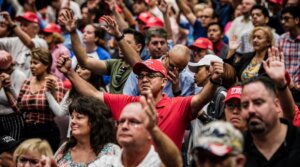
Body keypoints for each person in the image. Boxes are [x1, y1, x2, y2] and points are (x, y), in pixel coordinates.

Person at [57, 53, 223, 150]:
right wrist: (70, 73)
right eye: (141, 76)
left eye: (150, 75)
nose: (144, 79)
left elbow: (202, 99)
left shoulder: (177, 105)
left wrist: (214, 81)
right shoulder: (128, 102)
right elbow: (93, 94)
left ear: (164, 82)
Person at [58, 9, 145, 94]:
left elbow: (137, 64)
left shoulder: (145, 67)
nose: (121, 46)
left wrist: (118, 36)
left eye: (127, 43)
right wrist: (73, 32)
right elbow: (85, 61)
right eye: (121, 43)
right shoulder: (115, 64)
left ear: (138, 47)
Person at [5, 48, 65, 152]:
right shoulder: (27, 83)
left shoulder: (55, 83)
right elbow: (19, 109)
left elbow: (58, 112)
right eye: (31, 63)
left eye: (35, 63)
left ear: (46, 65)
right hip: (27, 130)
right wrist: (7, 89)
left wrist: (52, 92)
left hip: (47, 131)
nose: (31, 66)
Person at [96, 94, 182, 166]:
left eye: (133, 121)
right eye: (121, 121)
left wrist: (154, 129)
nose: (124, 126)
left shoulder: (156, 162)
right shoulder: (106, 162)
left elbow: (176, 164)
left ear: (149, 132)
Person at [240, 76, 300, 167]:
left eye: (258, 102)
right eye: (245, 105)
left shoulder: (297, 141)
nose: (250, 110)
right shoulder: (236, 148)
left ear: (277, 105)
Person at [54, 96, 120, 166]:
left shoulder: (111, 150)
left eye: (79, 117)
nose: (72, 121)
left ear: (94, 121)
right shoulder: (65, 148)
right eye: (72, 117)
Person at [0, 11, 48, 77]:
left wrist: (12, 24)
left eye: (25, 25)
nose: (21, 28)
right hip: (13, 84)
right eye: (21, 25)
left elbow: (29, 43)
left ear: (36, 29)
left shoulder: (41, 42)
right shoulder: (14, 41)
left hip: (31, 85)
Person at [0, 51, 26, 140]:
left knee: (13, 148)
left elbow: (18, 102)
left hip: (15, 118)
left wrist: (7, 87)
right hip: (2, 120)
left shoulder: (19, 75)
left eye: (3, 70)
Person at [277, 6, 300, 104]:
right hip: (286, 87)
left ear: (297, 20)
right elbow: (278, 64)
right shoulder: (281, 39)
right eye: (282, 19)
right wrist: (288, 82)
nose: (282, 22)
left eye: (286, 18)